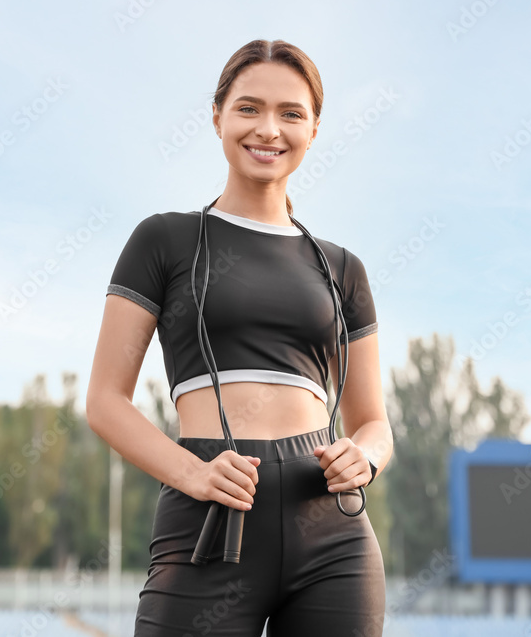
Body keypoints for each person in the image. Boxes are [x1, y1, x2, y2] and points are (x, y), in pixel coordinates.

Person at [86, 38, 393, 637]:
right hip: (208, 520)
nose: (268, 130)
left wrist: (368, 457)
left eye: (291, 113)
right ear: (218, 117)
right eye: (249, 108)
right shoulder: (164, 240)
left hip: (332, 532)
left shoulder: (342, 269)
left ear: (314, 127)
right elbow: (103, 402)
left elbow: (374, 422)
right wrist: (193, 473)